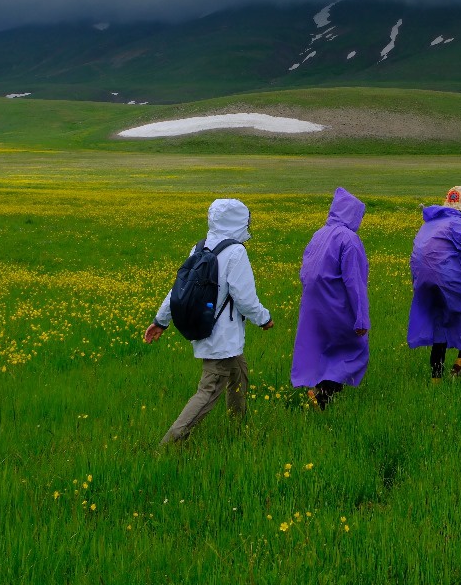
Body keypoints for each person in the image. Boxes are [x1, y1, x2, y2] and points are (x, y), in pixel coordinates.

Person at [144, 198, 273, 444]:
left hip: (209, 329)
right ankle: (169, 444)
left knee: (239, 373)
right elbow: (245, 299)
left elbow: (178, 291)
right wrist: (264, 319)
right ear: (238, 221)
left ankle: (238, 429)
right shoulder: (235, 252)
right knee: (209, 390)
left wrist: (160, 321)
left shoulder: (200, 247)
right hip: (221, 337)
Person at [290, 187, 371, 409]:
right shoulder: (349, 239)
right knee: (352, 349)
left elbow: (305, 271)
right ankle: (323, 397)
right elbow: (355, 283)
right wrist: (361, 319)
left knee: (324, 347)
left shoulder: (320, 233)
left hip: (313, 304)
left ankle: (318, 389)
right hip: (337, 303)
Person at [407, 186, 461, 379]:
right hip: (449, 280)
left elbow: (415, 256)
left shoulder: (429, 224)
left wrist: (418, 284)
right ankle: (459, 367)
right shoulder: (460, 226)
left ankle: (436, 379)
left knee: (439, 325)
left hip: (424, 283)